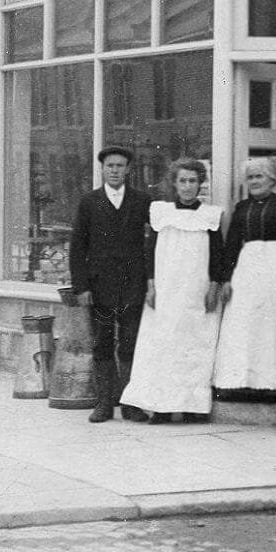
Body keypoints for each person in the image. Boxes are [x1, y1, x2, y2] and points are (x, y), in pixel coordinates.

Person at [120, 158, 224, 424]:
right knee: (162, 346)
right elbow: (150, 252)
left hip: (196, 292)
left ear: (200, 184)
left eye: (193, 181)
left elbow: (218, 257)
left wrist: (214, 287)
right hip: (166, 291)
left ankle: (192, 407)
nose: (188, 187)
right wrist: (151, 286)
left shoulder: (210, 216)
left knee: (194, 347)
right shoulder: (161, 213)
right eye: (183, 181)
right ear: (174, 184)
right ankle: (162, 407)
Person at [69, 145, 151, 423]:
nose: (115, 170)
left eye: (120, 166)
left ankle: (129, 403)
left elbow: (152, 244)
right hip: (100, 287)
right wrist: (81, 287)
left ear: (128, 169)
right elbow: (78, 247)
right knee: (102, 342)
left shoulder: (142, 201)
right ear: (102, 169)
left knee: (130, 342)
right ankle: (104, 403)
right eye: (110, 166)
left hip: (133, 286)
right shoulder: (89, 202)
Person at [213, 158, 276, 401]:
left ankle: (275, 383)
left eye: (259, 176)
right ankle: (241, 381)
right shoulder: (241, 208)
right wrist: (226, 278)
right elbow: (231, 245)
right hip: (247, 269)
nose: (254, 182)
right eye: (250, 177)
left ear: (272, 179)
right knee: (244, 322)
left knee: (273, 323)